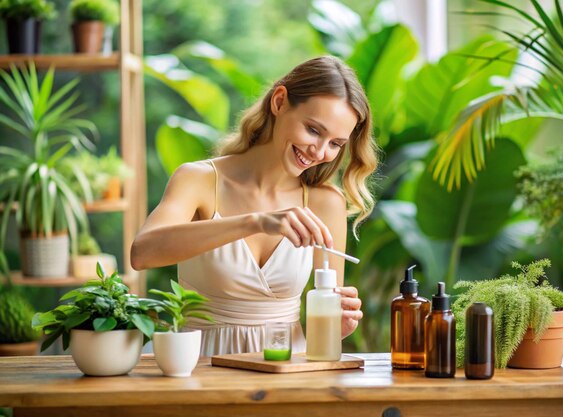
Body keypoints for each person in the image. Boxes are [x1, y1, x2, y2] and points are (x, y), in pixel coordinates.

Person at [131, 55, 379, 357]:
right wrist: (255, 222)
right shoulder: (199, 180)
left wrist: (336, 326)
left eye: (336, 144)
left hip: (286, 374)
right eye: (313, 130)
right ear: (279, 101)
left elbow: (321, 326)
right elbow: (142, 253)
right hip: (200, 367)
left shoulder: (325, 203)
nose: (319, 151)